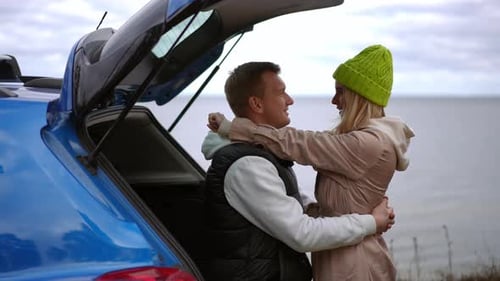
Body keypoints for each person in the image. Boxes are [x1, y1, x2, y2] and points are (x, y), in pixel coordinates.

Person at [208, 45, 415, 281]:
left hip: (355, 264)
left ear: (358, 96)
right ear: (257, 104)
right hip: (342, 256)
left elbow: (302, 143)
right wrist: (365, 219)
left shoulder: (368, 143)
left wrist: (232, 128)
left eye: (340, 92)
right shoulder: (248, 163)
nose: (334, 100)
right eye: (281, 92)